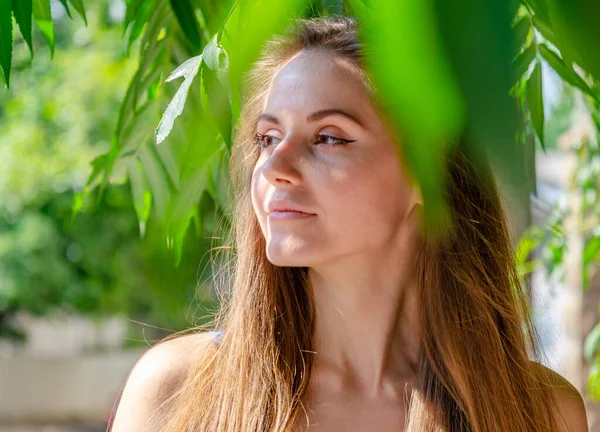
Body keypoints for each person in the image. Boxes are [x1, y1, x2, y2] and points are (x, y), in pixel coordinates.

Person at [110, 15, 588, 432]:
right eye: (268, 137)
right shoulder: (174, 389)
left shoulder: (538, 411)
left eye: (329, 137)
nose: (276, 164)